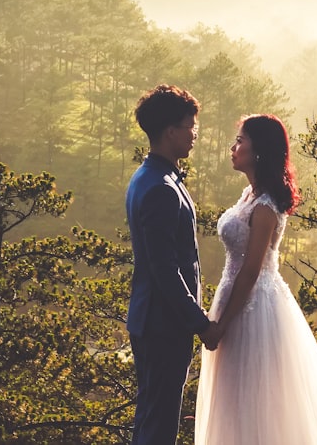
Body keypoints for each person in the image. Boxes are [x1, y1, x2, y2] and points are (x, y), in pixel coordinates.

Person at [194, 114, 317, 444]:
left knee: (256, 402)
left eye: (240, 140)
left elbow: (252, 271)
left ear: (259, 151)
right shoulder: (249, 195)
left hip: (253, 310)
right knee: (234, 400)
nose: (233, 147)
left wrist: (222, 325)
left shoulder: (266, 206)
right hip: (234, 301)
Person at [126, 84, 222, 445]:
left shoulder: (147, 177)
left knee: (152, 415)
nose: (194, 134)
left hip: (152, 320)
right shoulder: (162, 188)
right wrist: (200, 324)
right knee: (160, 423)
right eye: (190, 127)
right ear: (170, 132)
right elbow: (165, 269)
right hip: (162, 325)